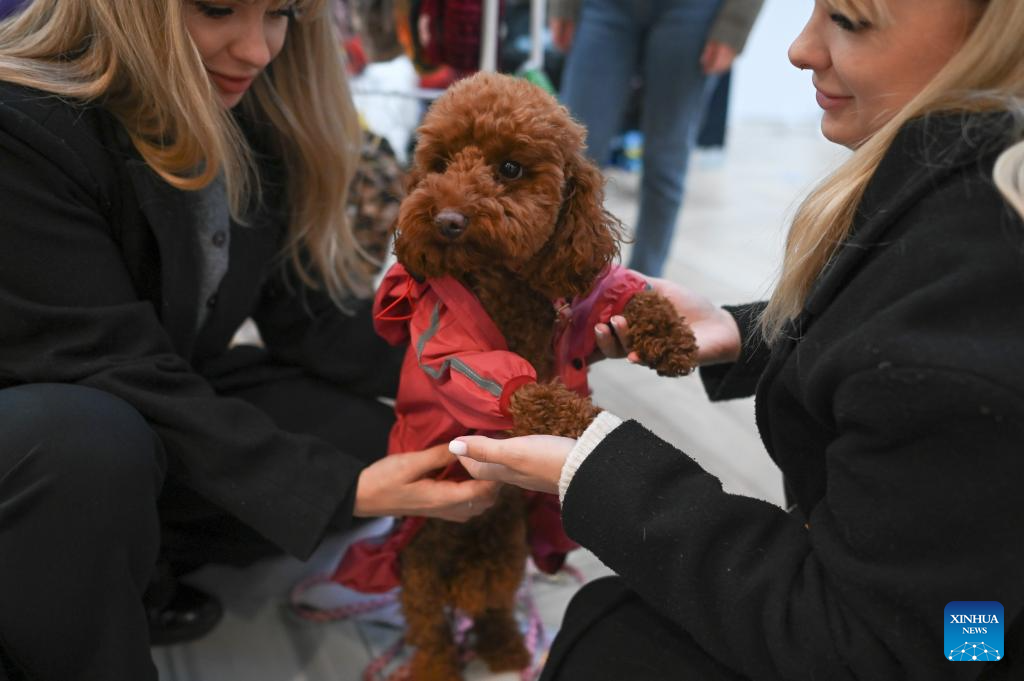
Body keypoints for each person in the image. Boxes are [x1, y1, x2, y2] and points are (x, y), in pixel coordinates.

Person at [451, 0, 1024, 678]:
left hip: (979, 635)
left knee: (606, 643)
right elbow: (890, 349)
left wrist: (596, 467)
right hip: (969, 602)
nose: (799, 49)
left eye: (849, 19)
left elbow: (917, 640)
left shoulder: (975, 306)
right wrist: (753, 333)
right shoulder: (950, 196)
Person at [0, 2, 501, 679]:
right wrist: (339, 490)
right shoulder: (24, 126)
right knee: (88, 443)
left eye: (281, 13)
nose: (259, 50)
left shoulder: (247, 123)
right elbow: (108, 366)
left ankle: (126, 562)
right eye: (217, 8)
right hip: (53, 443)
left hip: (132, 411)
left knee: (373, 438)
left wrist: (501, 360)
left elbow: (310, 316)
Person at [549, 0, 764, 277]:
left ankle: (642, 286)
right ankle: (557, 278)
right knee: (574, 155)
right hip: (604, 7)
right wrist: (563, 6)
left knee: (665, 160)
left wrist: (735, 23)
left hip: (691, 11)